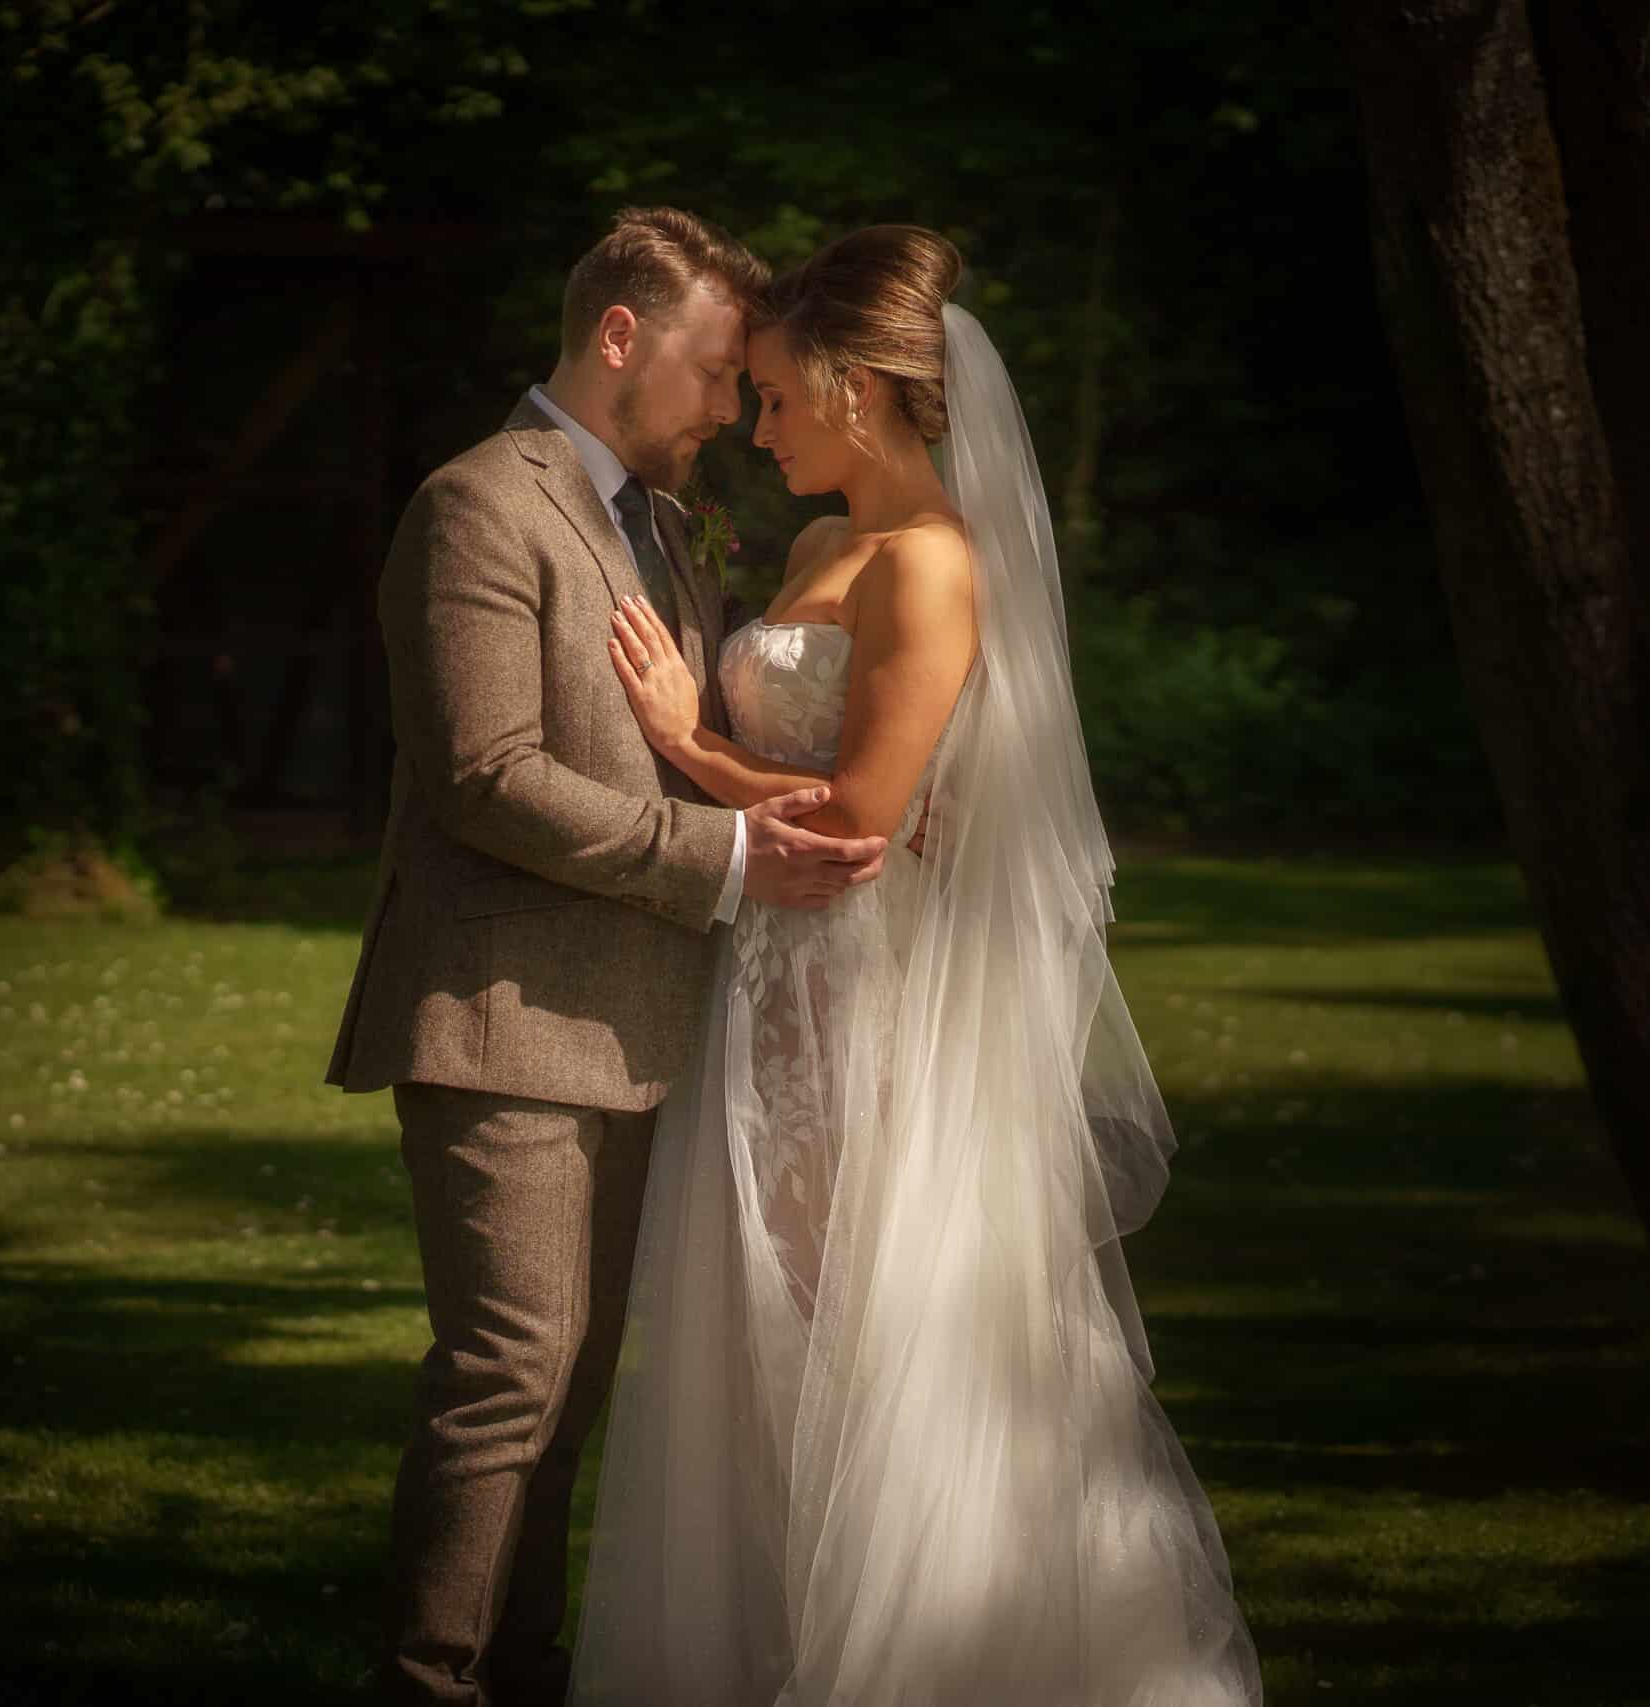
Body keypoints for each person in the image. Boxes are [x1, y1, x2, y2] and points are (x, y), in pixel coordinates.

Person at [570, 225, 1265, 1706]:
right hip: (768, 987)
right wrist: (731, 753)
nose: (755, 429)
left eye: (771, 398)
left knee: (864, 1330)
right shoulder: (828, 546)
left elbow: (866, 823)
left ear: (852, 387)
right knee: (762, 1329)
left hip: (863, 994)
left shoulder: (935, 566)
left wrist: (688, 742)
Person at [324, 205, 895, 1707]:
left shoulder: (662, 523)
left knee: (573, 1392)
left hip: (651, 1022)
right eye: (714, 372)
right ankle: (429, 1682)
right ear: (619, 336)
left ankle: (523, 1672)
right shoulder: (480, 506)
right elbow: (485, 775)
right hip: (501, 1018)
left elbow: (683, 750)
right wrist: (723, 861)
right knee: (509, 1376)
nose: (728, 407)